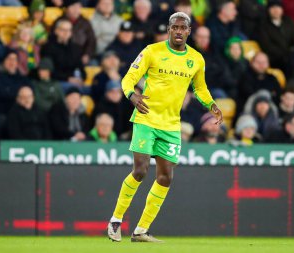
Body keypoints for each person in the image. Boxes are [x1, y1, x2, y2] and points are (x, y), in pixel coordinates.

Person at [107, 12, 223, 243]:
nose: (179, 31)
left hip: (171, 125)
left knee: (165, 178)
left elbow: (199, 88)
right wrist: (132, 95)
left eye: (183, 28)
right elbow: (128, 78)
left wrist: (211, 105)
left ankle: (141, 230)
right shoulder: (152, 51)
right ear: (169, 30)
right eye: (175, 27)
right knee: (140, 170)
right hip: (146, 118)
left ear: (189, 31)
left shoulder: (196, 59)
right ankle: (116, 220)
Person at [0, 50, 31, 138]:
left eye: (14, 59)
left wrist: (11, 91)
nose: (12, 62)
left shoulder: (23, 78)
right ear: (4, 61)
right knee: (2, 121)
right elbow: (0, 93)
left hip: (20, 112)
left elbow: (30, 91)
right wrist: (20, 95)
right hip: (1, 112)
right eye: (9, 59)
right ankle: (0, 149)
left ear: (17, 63)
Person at [41, 19, 86, 89]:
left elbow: (81, 69)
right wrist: (68, 78)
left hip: (74, 81)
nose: (66, 33)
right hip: (56, 81)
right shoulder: (48, 48)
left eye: (69, 30)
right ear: (56, 31)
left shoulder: (76, 48)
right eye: (63, 30)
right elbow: (48, 71)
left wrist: (81, 78)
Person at [51, 0, 96, 65]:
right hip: (61, 55)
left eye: (78, 7)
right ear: (67, 8)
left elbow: (91, 41)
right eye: (73, 6)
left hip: (81, 56)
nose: (76, 9)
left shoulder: (86, 23)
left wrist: (87, 54)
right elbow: (52, 40)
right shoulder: (59, 21)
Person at [258, 0, 294, 72]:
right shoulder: (263, 25)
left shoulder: (288, 21)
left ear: (282, 9)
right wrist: (285, 54)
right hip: (274, 60)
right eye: (273, 8)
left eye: (278, 7)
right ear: (268, 10)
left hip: (290, 57)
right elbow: (266, 46)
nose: (276, 10)